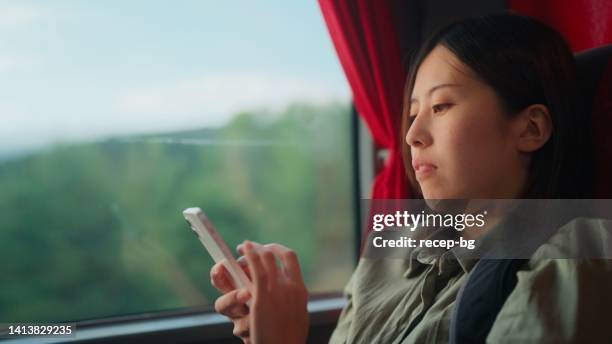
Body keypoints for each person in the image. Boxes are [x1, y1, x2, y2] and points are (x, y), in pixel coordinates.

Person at [210, 13, 612, 343]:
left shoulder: (572, 257)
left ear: (530, 129)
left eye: (441, 106)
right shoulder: (393, 251)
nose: (411, 135)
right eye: (412, 111)